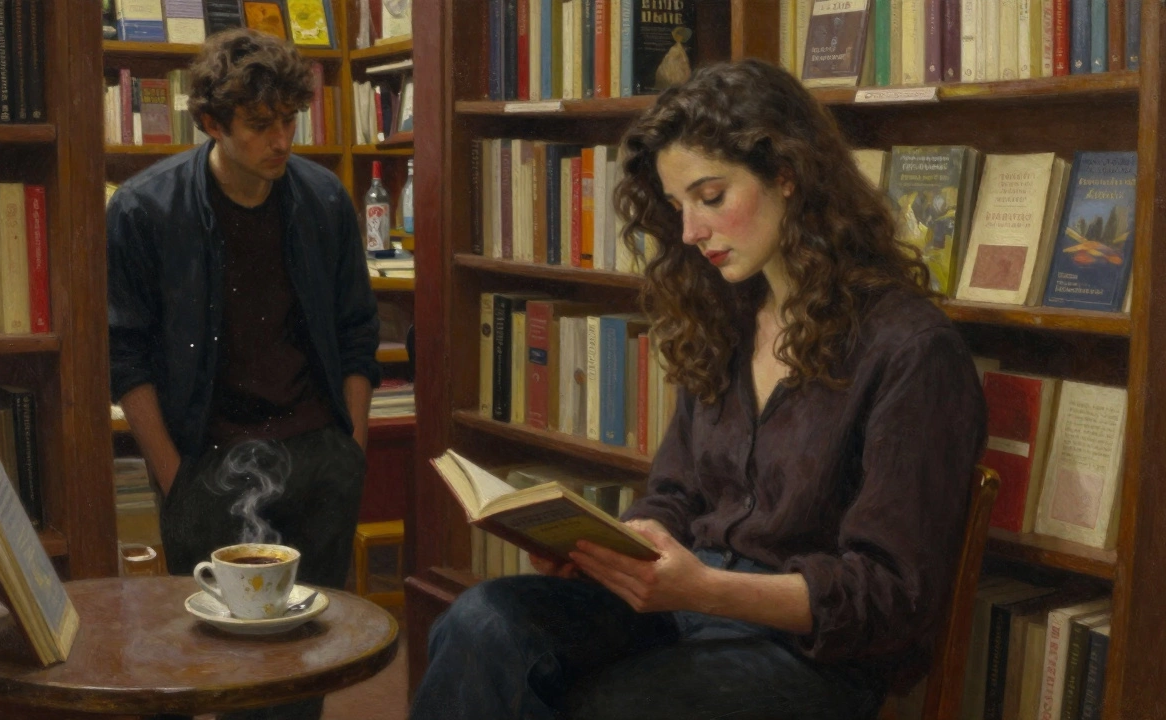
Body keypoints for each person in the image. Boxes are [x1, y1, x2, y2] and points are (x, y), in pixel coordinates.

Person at [409, 59, 987, 720]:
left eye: (710, 198)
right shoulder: (726, 316)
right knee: (481, 622)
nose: (690, 232)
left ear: (788, 175)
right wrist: (612, 549)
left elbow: (890, 598)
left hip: (811, 655)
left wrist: (707, 588)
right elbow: (675, 495)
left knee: (606, 706)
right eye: (679, 206)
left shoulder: (911, 350)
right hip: (688, 603)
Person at [107, 28, 379, 720]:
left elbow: (357, 333)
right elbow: (124, 354)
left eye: (290, 120)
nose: (282, 140)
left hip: (318, 455)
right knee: (217, 666)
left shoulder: (322, 201)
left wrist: (351, 448)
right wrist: (174, 477)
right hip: (207, 459)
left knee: (305, 663)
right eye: (260, 125)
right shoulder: (144, 210)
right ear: (210, 123)